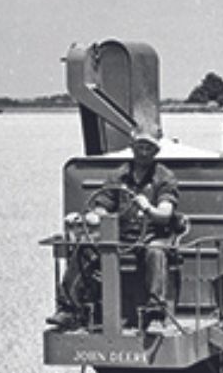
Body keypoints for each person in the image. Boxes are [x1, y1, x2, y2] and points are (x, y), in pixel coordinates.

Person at [48, 126, 181, 329]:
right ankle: (69, 309)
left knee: (156, 251)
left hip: (154, 234)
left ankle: (156, 312)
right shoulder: (119, 176)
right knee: (85, 246)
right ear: (132, 147)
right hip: (123, 235)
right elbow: (102, 205)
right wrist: (92, 217)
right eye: (140, 146)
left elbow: (165, 215)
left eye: (149, 148)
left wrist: (148, 208)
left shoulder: (164, 177)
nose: (143, 152)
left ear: (156, 151)